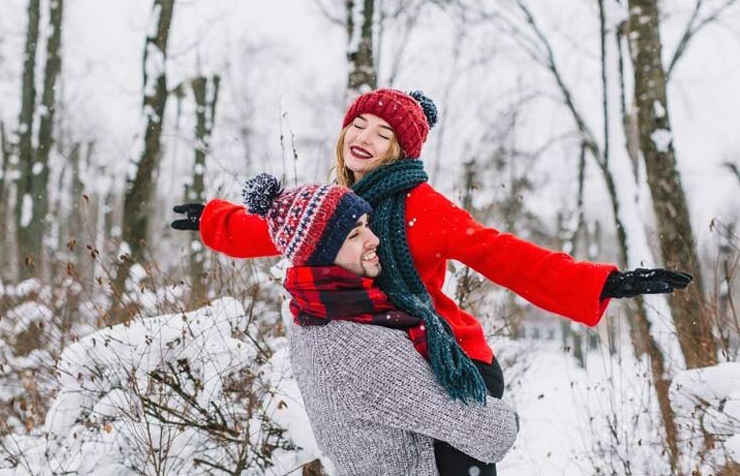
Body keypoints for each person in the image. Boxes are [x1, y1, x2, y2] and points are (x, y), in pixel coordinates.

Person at [172, 88, 692, 476]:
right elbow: (271, 230)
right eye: (361, 123)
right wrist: (213, 221)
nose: (365, 138)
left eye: (384, 133)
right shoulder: (330, 207)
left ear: (402, 150)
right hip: (391, 372)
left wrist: (600, 283)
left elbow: (501, 254)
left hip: (450, 364)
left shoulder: (422, 206)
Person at [236, 173, 519, 475]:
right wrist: (509, 419)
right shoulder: (355, 347)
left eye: (366, 225)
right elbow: (490, 434)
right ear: (321, 256)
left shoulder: (312, 316)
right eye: (354, 235)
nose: (374, 239)